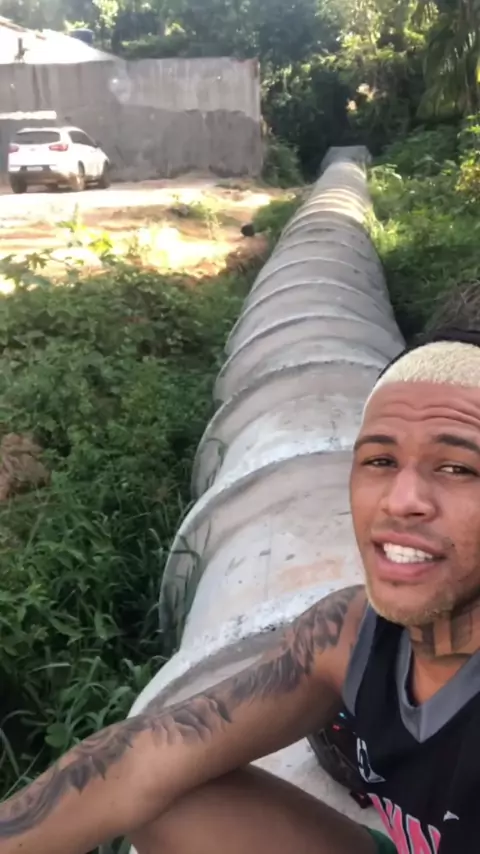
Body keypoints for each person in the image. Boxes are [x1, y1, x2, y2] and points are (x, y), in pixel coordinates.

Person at [2, 327, 480, 854]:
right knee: (171, 793)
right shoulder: (347, 634)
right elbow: (138, 760)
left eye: (458, 468)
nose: (400, 500)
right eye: (380, 461)